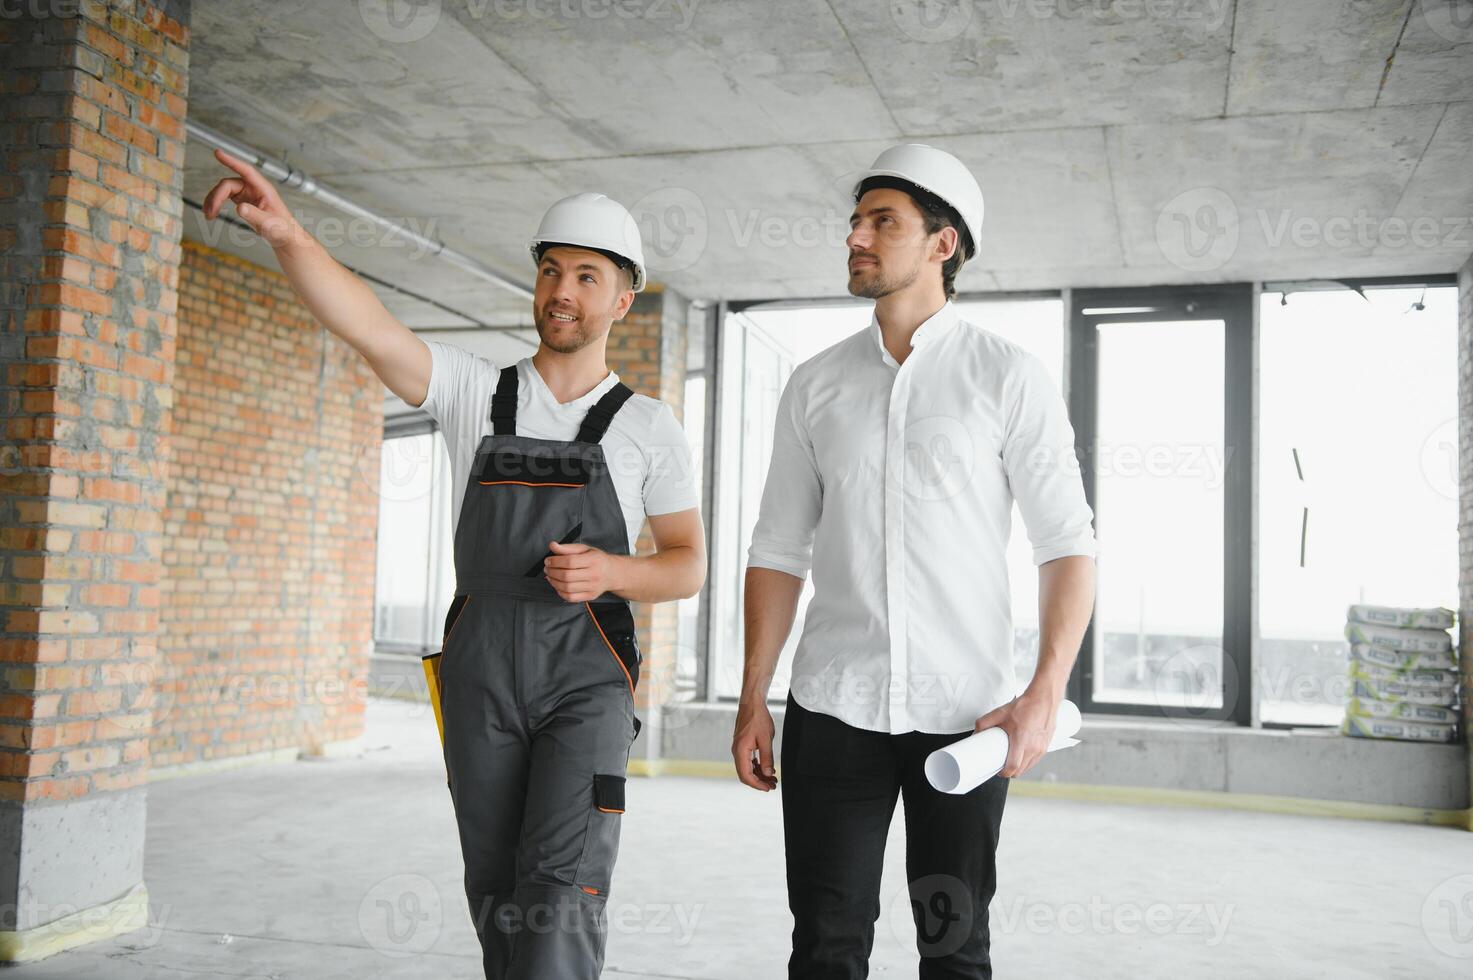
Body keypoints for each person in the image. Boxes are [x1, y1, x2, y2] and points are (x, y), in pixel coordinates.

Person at [203, 150, 706, 979]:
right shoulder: (475, 390)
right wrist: (288, 234)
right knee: (496, 887)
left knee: (561, 886)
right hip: (480, 666)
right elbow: (364, 322)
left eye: (586, 276)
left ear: (622, 297)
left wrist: (612, 573)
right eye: (550, 271)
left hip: (586, 672)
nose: (562, 291)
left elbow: (686, 565)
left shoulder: (648, 425)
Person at [731, 143, 1097, 978]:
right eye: (855, 221)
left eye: (881, 221)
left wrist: (1043, 692)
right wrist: (753, 696)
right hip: (831, 710)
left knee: (954, 947)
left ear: (943, 244)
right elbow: (776, 549)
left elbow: (1066, 543)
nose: (856, 236)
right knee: (824, 944)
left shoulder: (1007, 378)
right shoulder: (814, 385)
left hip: (967, 713)